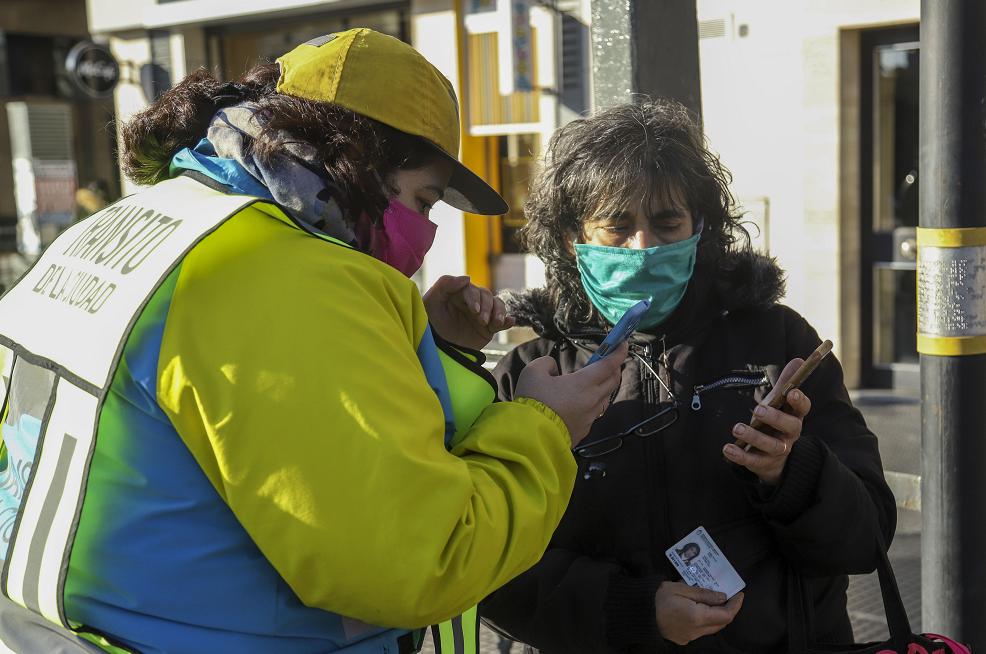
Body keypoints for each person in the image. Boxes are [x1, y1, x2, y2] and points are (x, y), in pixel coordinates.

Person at [0, 29, 625, 654]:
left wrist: (418, 344)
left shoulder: (134, 225)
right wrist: (544, 424)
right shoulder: (297, 279)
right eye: (425, 199)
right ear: (359, 161)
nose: (427, 231)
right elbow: (422, 560)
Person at [481, 100, 896, 653]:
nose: (645, 246)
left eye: (666, 222)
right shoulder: (533, 375)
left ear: (700, 228)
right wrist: (633, 609)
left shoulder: (779, 343)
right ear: (570, 240)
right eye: (617, 225)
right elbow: (489, 567)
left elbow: (865, 539)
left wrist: (792, 472)